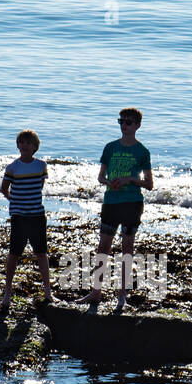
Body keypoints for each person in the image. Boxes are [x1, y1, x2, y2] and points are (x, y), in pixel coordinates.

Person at [76, 107, 154, 313]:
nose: (124, 125)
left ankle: (122, 294)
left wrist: (130, 179)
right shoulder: (110, 147)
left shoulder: (142, 151)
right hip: (111, 202)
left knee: (126, 248)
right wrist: (109, 182)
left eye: (129, 122)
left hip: (132, 203)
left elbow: (149, 184)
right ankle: (96, 291)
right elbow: (100, 176)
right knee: (104, 247)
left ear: (138, 125)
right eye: (121, 121)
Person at [0, 129, 53, 316]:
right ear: (18, 145)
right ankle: (7, 291)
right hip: (19, 217)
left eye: (28, 143)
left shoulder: (41, 165)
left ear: (35, 147)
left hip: (37, 215)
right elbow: (4, 188)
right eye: (22, 143)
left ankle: (47, 290)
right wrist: (14, 202)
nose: (25, 146)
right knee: (14, 254)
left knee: (41, 253)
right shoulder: (12, 167)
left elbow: (40, 185)